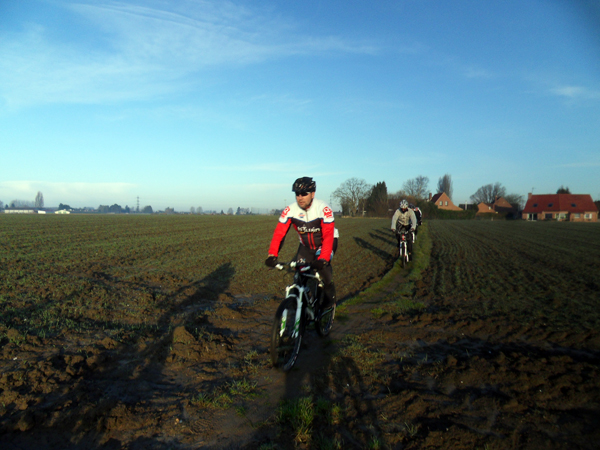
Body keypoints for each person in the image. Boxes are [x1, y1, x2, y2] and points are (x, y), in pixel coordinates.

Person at [265, 177, 338, 310]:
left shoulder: (323, 208)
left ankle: (329, 296)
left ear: (312, 194)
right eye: (297, 194)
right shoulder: (290, 210)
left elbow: (328, 235)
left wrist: (323, 258)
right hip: (306, 246)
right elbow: (279, 233)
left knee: (323, 269)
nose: (300, 197)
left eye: (304, 194)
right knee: (298, 276)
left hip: (326, 243)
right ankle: (302, 309)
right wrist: (272, 255)